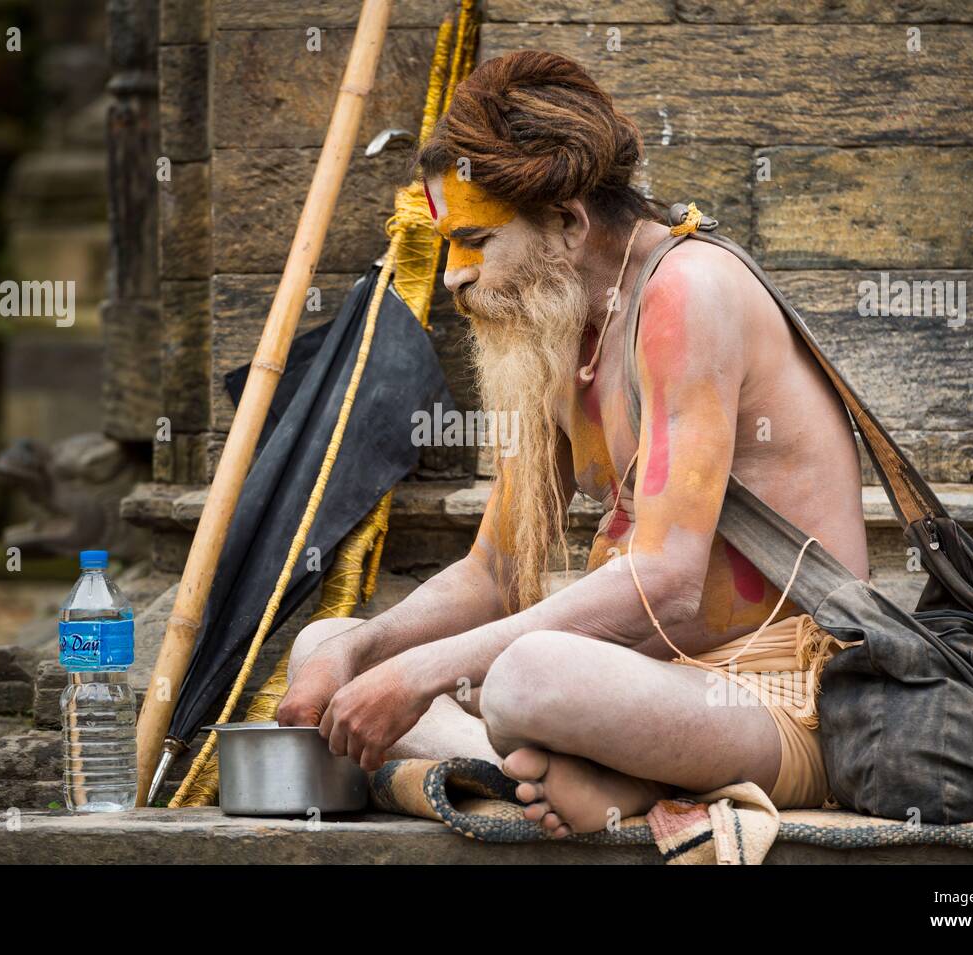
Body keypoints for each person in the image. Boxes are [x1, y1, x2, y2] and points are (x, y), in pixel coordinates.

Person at [277, 50, 870, 837]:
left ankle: (568, 772)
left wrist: (422, 674)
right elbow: (494, 571)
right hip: (641, 691)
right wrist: (369, 653)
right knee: (330, 643)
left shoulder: (685, 292)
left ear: (567, 223)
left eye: (476, 241)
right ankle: (555, 776)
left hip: (775, 701)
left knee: (527, 677)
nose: (454, 277)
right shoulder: (561, 329)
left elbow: (664, 583)